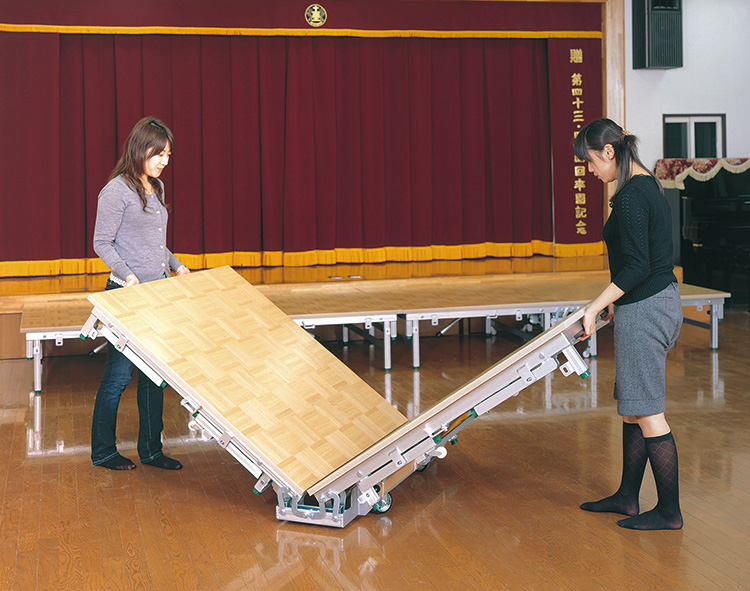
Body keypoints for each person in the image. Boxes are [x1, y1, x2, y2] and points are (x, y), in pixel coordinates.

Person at [574, 118, 683, 530]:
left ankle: (669, 512)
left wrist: (595, 306)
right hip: (652, 302)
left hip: (647, 309)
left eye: (590, 161)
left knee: (649, 411)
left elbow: (638, 265)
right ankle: (627, 497)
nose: (590, 170)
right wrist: (616, 303)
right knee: (633, 409)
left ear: (609, 152)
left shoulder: (631, 195)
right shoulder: (645, 185)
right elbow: (644, 261)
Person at [91, 117, 189, 471]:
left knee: (153, 378)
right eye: (158, 153)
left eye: (168, 154)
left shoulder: (156, 187)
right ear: (139, 149)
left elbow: (154, 243)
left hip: (157, 296)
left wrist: (176, 265)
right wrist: (128, 275)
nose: (164, 161)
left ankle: (151, 451)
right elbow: (102, 242)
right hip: (126, 295)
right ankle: (103, 452)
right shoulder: (116, 191)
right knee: (118, 378)